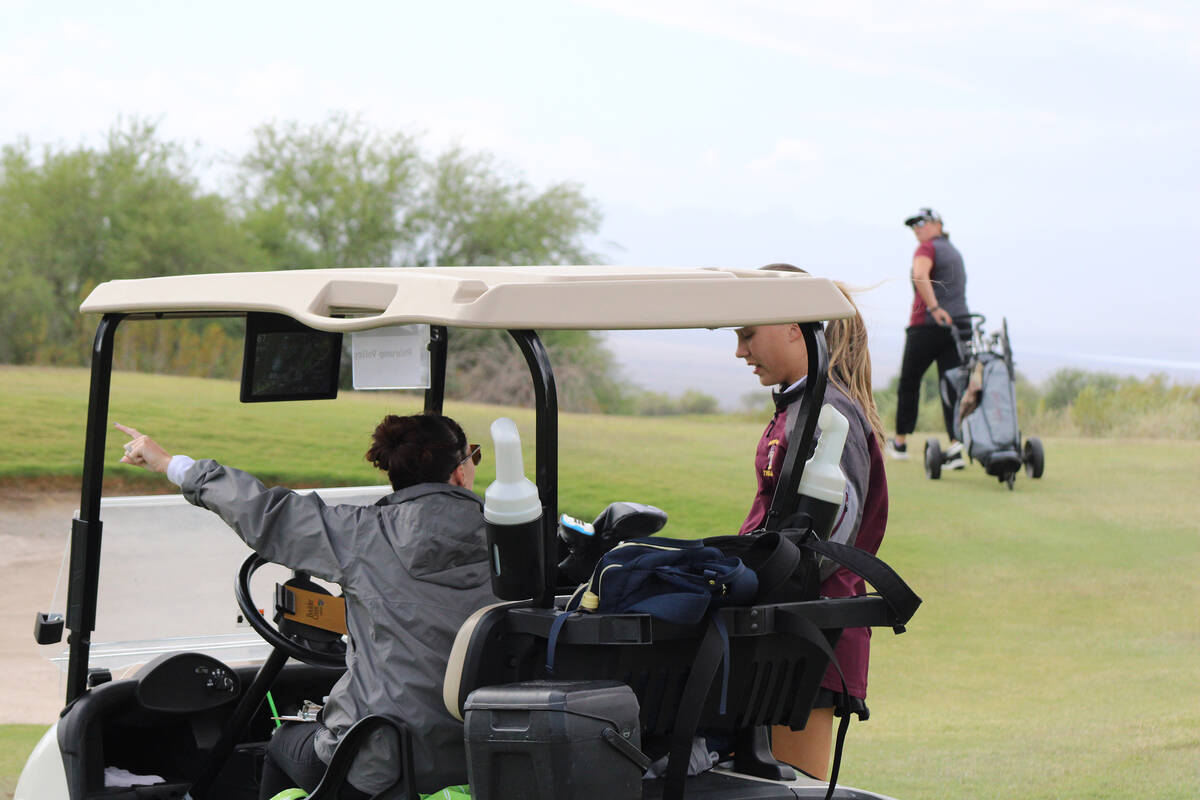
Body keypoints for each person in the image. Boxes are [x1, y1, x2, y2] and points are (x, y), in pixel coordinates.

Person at [115, 413, 496, 800]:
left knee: (283, 743)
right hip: (484, 749)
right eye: (473, 457)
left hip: (383, 758)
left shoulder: (362, 534)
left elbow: (260, 510)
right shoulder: (515, 541)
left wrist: (169, 464)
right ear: (460, 473)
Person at [733, 263, 888, 780]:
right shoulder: (801, 407)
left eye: (747, 334)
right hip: (785, 628)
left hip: (805, 634)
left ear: (792, 328)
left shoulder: (825, 415)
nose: (740, 351)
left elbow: (823, 545)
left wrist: (752, 582)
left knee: (791, 788)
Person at [888, 207, 971, 467]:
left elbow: (920, 274)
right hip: (958, 326)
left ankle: (900, 443)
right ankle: (956, 445)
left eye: (922, 223)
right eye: (914, 226)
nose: (917, 229)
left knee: (910, 383)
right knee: (952, 386)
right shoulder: (954, 252)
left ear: (937, 224)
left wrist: (934, 308)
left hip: (927, 324)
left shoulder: (926, 248)